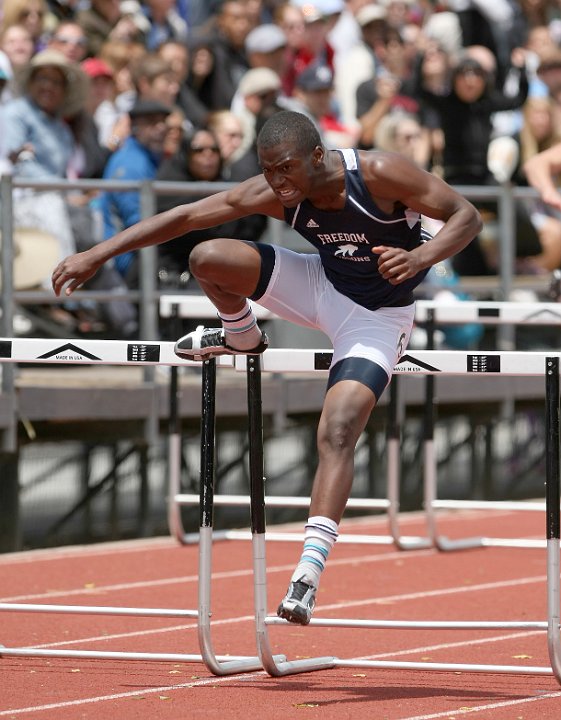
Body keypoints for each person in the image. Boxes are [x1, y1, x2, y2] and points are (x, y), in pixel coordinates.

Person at [52, 109, 482, 625]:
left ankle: (307, 574)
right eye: (267, 170)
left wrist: (421, 258)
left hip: (378, 316)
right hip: (320, 284)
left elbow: (467, 216)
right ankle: (243, 335)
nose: (277, 183)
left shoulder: (380, 173)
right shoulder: (279, 192)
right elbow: (188, 216)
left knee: (339, 428)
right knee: (207, 256)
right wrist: (96, 254)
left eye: (285, 169)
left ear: (317, 158)